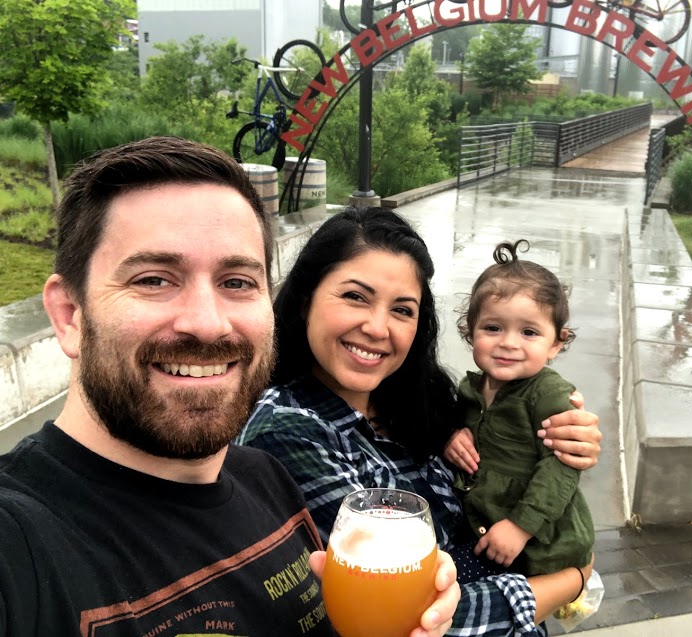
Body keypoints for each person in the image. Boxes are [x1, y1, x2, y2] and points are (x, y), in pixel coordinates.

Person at [0, 137, 458, 637]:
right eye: (154, 279)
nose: (208, 323)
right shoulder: (22, 543)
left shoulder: (268, 480)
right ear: (69, 315)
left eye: (237, 281)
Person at [238, 207, 603, 636]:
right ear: (306, 301)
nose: (377, 327)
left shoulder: (419, 401)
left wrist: (567, 438)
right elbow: (416, 616)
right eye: (355, 296)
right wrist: (573, 579)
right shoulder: (288, 431)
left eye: (402, 310)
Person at [445, 240, 593, 609]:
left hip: (536, 543)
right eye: (493, 328)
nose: (508, 343)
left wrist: (521, 526)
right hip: (488, 529)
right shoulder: (470, 389)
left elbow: (562, 466)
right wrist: (449, 435)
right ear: (470, 332)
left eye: (529, 332)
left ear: (557, 343)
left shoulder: (548, 394)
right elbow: (453, 425)